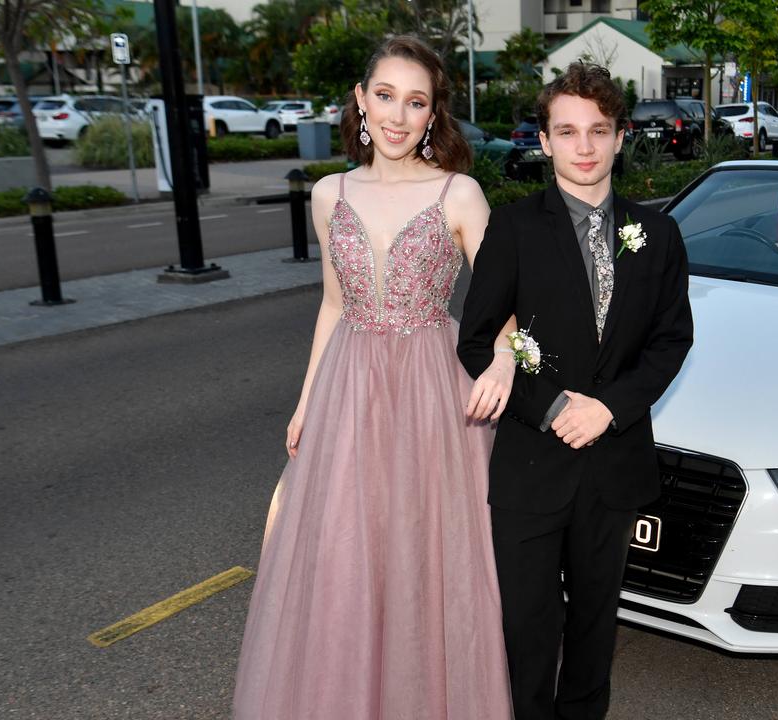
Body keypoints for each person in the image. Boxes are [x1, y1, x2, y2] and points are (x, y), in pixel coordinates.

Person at [232, 35, 515, 720]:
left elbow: (506, 301)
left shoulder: (459, 193)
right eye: (384, 95)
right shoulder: (329, 194)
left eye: (414, 101)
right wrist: (306, 404)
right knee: (344, 559)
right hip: (350, 389)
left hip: (433, 391)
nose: (396, 115)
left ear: (432, 114)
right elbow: (333, 303)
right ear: (360, 100)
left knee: (428, 554)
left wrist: (505, 358)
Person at [457, 61, 694, 720]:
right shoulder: (513, 230)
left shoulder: (661, 236)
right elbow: (476, 341)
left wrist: (610, 408)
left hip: (614, 469)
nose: (584, 146)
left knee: (594, 633)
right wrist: (557, 406)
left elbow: (672, 341)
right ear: (543, 140)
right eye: (567, 131)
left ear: (621, 137)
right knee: (528, 636)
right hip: (532, 468)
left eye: (598, 130)